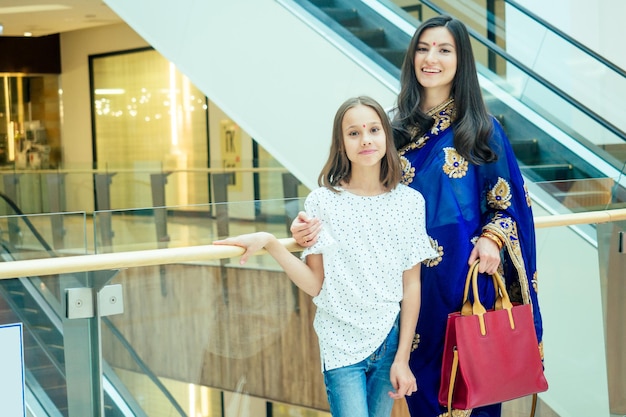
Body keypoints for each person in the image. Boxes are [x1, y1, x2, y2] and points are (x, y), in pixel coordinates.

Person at [291, 16, 544, 417]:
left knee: (469, 392)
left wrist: (493, 238)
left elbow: (506, 201)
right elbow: (355, 192)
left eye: (444, 50)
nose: (432, 58)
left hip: (462, 285)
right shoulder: (393, 129)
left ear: (461, 60)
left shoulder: (480, 129)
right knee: (420, 392)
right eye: (423, 48)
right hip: (405, 287)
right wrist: (305, 225)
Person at [214, 96, 437, 417]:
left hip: (388, 342)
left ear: (386, 137)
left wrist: (402, 357)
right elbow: (315, 284)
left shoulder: (410, 202)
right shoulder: (323, 202)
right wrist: (269, 242)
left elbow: (412, 285)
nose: (365, 140)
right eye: (353, 133)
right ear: (341, 143)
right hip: (339, 344)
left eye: (374, 129)